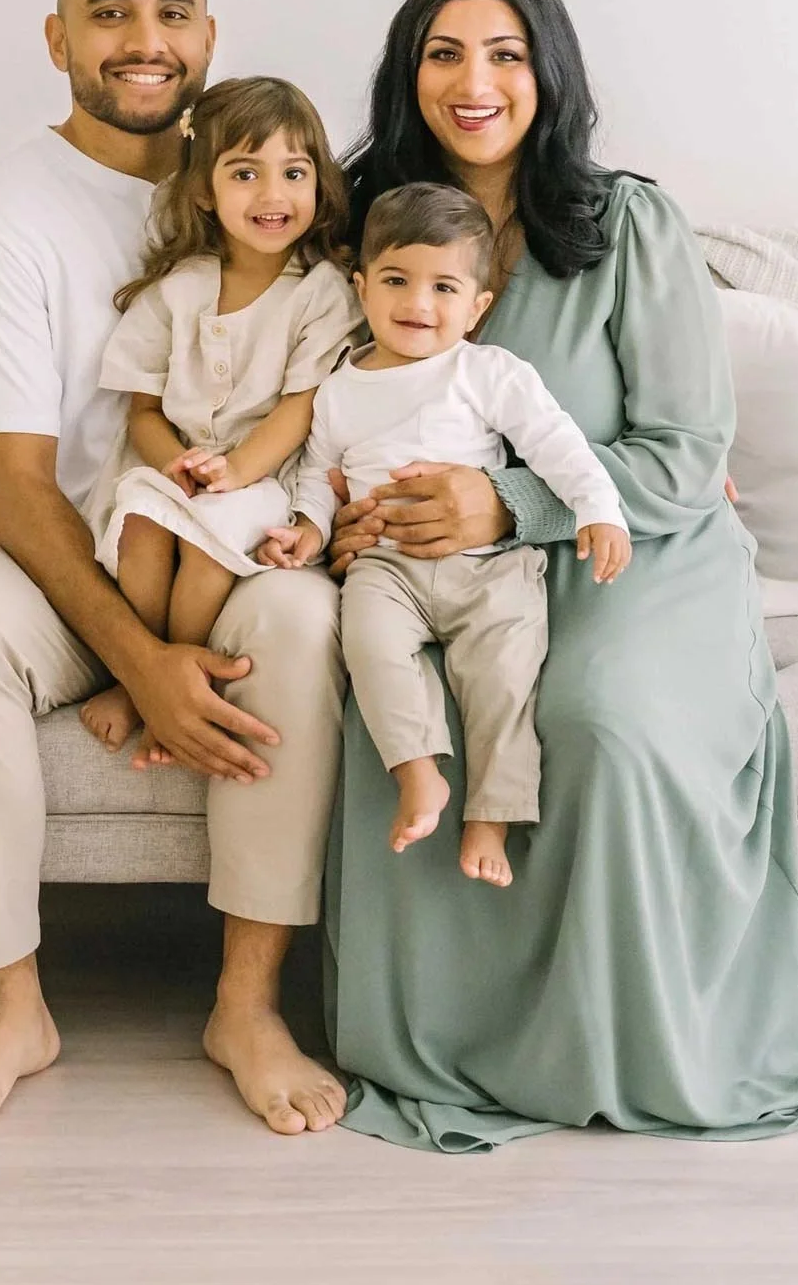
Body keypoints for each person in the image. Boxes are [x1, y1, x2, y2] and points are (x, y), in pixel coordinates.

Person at [324, 0, 798, 1149]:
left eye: (504, 52)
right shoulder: (364, 222)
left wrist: (508, 504)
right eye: (443, 51)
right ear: (408, 71)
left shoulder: (626, 223)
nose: (474, 80)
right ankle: (445, 1042)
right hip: (428, 565)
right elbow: (311, 398)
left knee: (598, 716)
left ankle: (616, 1043)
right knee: (403, 705)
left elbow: (686, 446)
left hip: (630, 543)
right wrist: (337, 511)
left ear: (547, 70)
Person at [0, 0, 349, 1139]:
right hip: (64, 556)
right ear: (57, 39)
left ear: (207, 36)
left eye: (171, 11)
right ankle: (7, 1010)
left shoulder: (264, 175)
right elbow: (11, 478)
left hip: (229, 542)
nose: (143, 40)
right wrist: (138, 660)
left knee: (302, 620)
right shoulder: (7, 213)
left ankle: (245, 1005)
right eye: (108, 12)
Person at [262, 180, 630, 888]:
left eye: (443, 287)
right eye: (397, 281)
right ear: (362, 288)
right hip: (385, 569)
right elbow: (317, 471)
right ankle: (418, 772)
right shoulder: (340, 386)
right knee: (368, 649)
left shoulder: (486, 373)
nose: (418, 305)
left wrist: (599, 509)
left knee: (505, 677)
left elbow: (558, 446)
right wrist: (306, 530)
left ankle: (490, 813)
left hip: (488, 566)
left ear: (478, 307)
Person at [78, 75, 361, 756]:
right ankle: (139, 668)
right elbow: (141, 410)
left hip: (262, 479)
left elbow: (302, 406)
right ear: (205, 189)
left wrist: (233, 473)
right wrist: (172, 465)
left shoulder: (320, 292)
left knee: (205, 552)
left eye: (294, 172)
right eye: (245, 173)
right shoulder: (179, 291)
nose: (273, 195)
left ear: (318, 185)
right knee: (144, 525)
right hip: (175, 467)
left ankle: (178, 678)